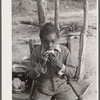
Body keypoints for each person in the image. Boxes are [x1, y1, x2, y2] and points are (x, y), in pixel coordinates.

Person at [28, 23, 77, 100]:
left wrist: (60, 65)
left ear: (58, 39)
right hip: (43, 89)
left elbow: (73, 72)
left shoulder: (64, 51)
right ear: (41, 40)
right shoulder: (36, 52)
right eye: (46, 42)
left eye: (53, 41)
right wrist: (40, 65)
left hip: (62, 88)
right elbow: (31, 75)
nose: (50, 45)